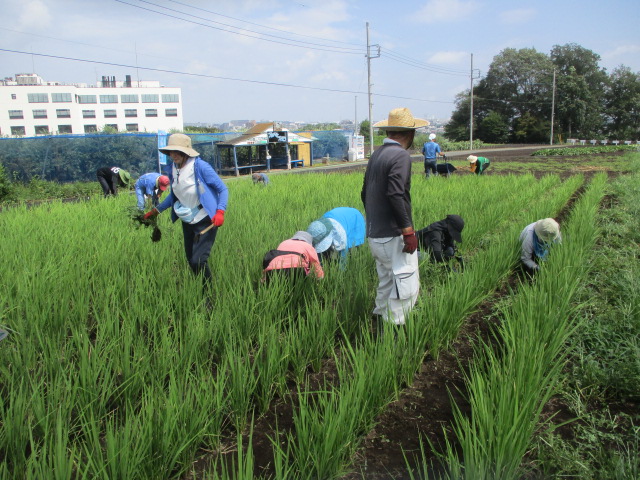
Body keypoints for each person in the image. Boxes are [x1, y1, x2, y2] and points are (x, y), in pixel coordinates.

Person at [361, 107, 426, 326]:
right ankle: (393, 338)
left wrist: (373, 222)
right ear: (410, 134)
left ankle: (377, 325)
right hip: (393, 235)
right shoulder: (400, 155)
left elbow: (365, 193)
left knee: (387, 282)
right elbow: (395, 193)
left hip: (375, 235)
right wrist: (408, 232)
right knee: (405, 287)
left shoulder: (377, 154)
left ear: (389, 131)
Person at [143, 134, 229, 296]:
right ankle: (203, 287)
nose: (173, 155)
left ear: (186, 152)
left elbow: (222, 189)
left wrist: (220, 211)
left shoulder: (200, 167)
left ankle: (210, 295)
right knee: (191, 260)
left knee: (199, 260)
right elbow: (174, 195)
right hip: (187, 219)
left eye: (177, 151)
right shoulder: (173, 169)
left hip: (205, 219)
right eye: (171, 152)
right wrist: (157, 210)